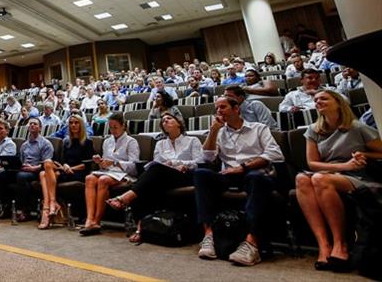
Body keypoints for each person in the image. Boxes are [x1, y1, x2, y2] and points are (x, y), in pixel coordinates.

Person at [295, 90, 382, 271]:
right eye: (316, 99)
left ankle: (340, 244)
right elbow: (312, 163)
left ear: (338, 102)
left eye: (324, 98)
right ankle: (324, 245)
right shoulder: (313, 130)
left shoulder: (357, 127)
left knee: (320, 179)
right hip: (334, 172)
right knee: (301, 179)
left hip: (358, 177)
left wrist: (364, 154)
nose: (318, 101)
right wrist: (345, 167)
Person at [195, 96, 284, 266]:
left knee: (254, 177)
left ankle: (252, 243)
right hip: (229, 175)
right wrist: (213, 131)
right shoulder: (219, 132)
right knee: (201, 174)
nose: (219, 111)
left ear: (236, 109)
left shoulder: (259, 128)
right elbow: (206, 157)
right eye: (217, 108)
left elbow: (275, 154)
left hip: (254, 174)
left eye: (223, 107)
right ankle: (209, 235)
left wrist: (244, 167)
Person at [106, 113, 203, 244]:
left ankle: (127, 200)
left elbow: (199, 161)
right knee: (148, 178)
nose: (165, 121)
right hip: (163, 177)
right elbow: (156, 163)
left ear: (179, 123)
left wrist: (178, 164)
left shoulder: (192, 141)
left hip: (184, 176)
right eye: (163, 120)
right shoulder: (161, 144)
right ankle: (141, 227)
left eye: (169, 119)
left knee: (150, 177)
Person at [79, 112, 139, 236]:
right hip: (109, 172)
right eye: (110, 127)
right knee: (89, 178)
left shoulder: (131, 141)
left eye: (115, 127)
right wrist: (100, 162)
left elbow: (134, 166)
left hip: (124, 174)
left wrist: (115, 162)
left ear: (123, 126)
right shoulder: (107, 141)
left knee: (103, 180)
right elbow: (105, 165)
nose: (113, 130)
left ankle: (97, 221)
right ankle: (89, 218)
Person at [0, 117, 53, 221]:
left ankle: (24, 210)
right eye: (30, 124)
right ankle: (5, 206)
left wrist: (33, 168)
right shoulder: (24, 145)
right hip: (23, 169)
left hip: (36, 171)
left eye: (35, 124)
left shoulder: (46, 144)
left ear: (40, 128)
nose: (32, 125)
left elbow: (48, 164)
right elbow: (21, 161)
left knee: (21, 177)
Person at [38, 114, 93, 229]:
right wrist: (65, 165)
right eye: (71, 123)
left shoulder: (87, 142)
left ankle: (47, 207)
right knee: (45, 168)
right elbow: (61, 161)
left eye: (76, 123)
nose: (73, 125)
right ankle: (51, 204)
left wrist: (71, 168)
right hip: (65, 171)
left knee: (44, 174)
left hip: (78, 173)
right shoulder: (67, 142)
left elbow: (86, 164)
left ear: (81, 125)